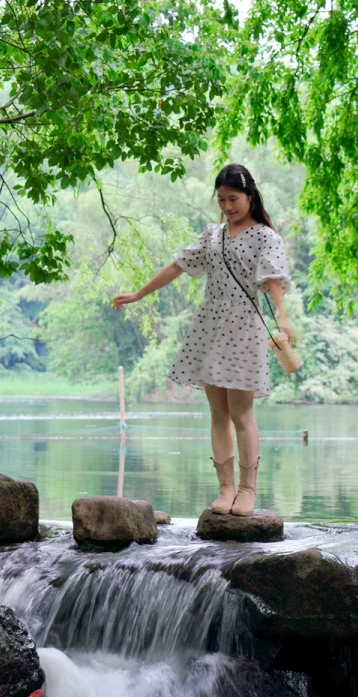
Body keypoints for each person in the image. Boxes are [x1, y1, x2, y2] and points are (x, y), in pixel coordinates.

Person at [112, 164, 293, 516]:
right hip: (210, 327)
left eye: (234, 199)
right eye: (222, 200)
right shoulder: (213, 235)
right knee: (217, 413)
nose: (227, 206)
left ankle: (247, 491)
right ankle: (225, 490)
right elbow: (178, 266)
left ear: (250, 196)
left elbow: (273, 283)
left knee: (242, 413)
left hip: (244, 327)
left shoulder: (266, 237)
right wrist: (138, 294)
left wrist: (284, 322)